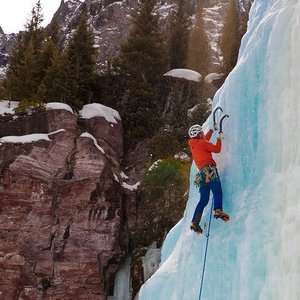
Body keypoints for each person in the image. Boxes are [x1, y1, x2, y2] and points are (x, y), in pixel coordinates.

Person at [188, 124, 230, 235]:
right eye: (201, 132)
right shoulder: (202, 143)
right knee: (217, 191)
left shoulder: (194, 145)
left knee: (203, 200)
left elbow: (204, 140)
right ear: (199, 134)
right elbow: (217, 149)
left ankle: (195, 222)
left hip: (201, 175)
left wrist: (211, 130)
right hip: (210, 171)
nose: (203, 133)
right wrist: (219, 138)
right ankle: (218, 210)